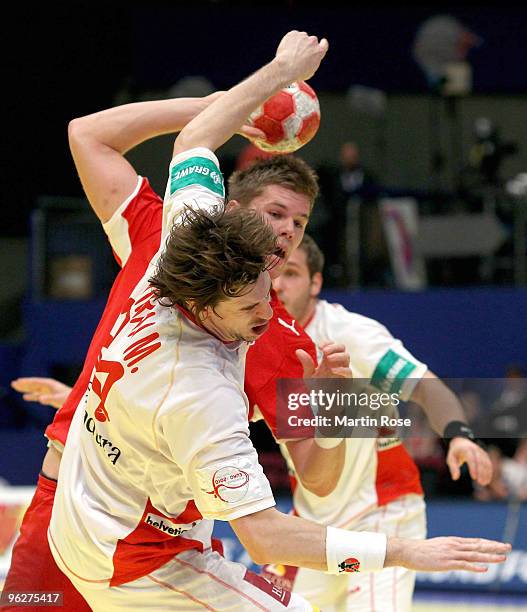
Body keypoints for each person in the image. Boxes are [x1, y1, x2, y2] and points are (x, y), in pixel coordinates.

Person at [3, 31, 510, 611]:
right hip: (98, 512)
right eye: (275, 216)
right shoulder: (176, 254)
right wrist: (245, 100)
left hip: (165, 519)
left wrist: (344, 412)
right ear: (232, 214)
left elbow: (318, 473)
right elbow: (88, 134)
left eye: (299, 226)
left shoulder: (193, 250)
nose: (287, 235)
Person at [268, 233, 495, 611]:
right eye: (274, 271)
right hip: (311, 524)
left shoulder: (351, 336)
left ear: (316, 283)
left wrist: (459, 436)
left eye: (291, 273)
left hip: (382, 512)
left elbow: (426, 389)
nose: (278, 284)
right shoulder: (256, 340)